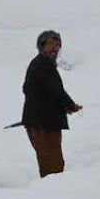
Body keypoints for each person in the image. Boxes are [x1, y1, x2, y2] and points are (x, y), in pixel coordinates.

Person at [21, 30, 82, 178]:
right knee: (53, 167)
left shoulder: (38, 64)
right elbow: (57, 90)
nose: (55, 48)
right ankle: (53, 195)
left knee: (47, 163)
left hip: (37, 121)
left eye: (58, 45)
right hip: (45, 124)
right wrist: (71, 106)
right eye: (50, 44)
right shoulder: (43, 64)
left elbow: (28, 89)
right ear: (41, 46)